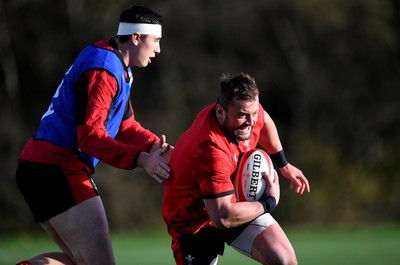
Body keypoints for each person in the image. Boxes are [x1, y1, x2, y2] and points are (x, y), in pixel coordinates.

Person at [15, 5, 172, 265]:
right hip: (56, 167)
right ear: (136, 38)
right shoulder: (104, 71)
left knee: (80, 261)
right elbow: (89, 137)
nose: (157, 49)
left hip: (42, 166)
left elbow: (125, 125)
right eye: (155, 41)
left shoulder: (115, 63)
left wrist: (155, 145)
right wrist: (142, 159)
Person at [162, 73, 310, 265]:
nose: (250, 121)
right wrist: (269, 202)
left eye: (253, 113)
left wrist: (284, 164)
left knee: (285, 261)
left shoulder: (248, 110)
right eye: (242, 116)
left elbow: (264, 121)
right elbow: (223, 217)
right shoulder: (210, 148)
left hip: (233, 201)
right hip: (193, 223)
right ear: (221, 112)